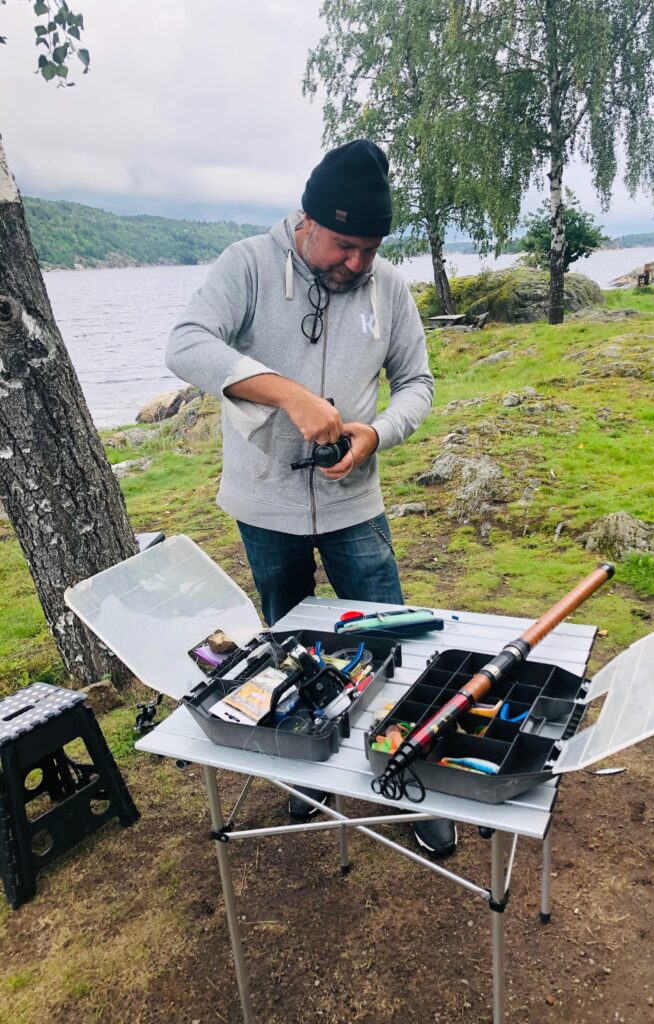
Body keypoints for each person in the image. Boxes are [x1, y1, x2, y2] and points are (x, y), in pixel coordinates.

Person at [166, 140, 457, 857]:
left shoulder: (388, 288)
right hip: (265, 507)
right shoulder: (247, 265)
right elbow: (186, 344)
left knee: (389, 640)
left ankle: (408, 767)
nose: (357, 263)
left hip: (356, 504)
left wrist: (376, 433)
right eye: (344, 245)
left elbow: (417, 383)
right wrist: (287, 393)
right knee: (289, 644)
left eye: (371, 249)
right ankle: (307, 769)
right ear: (308, 220)